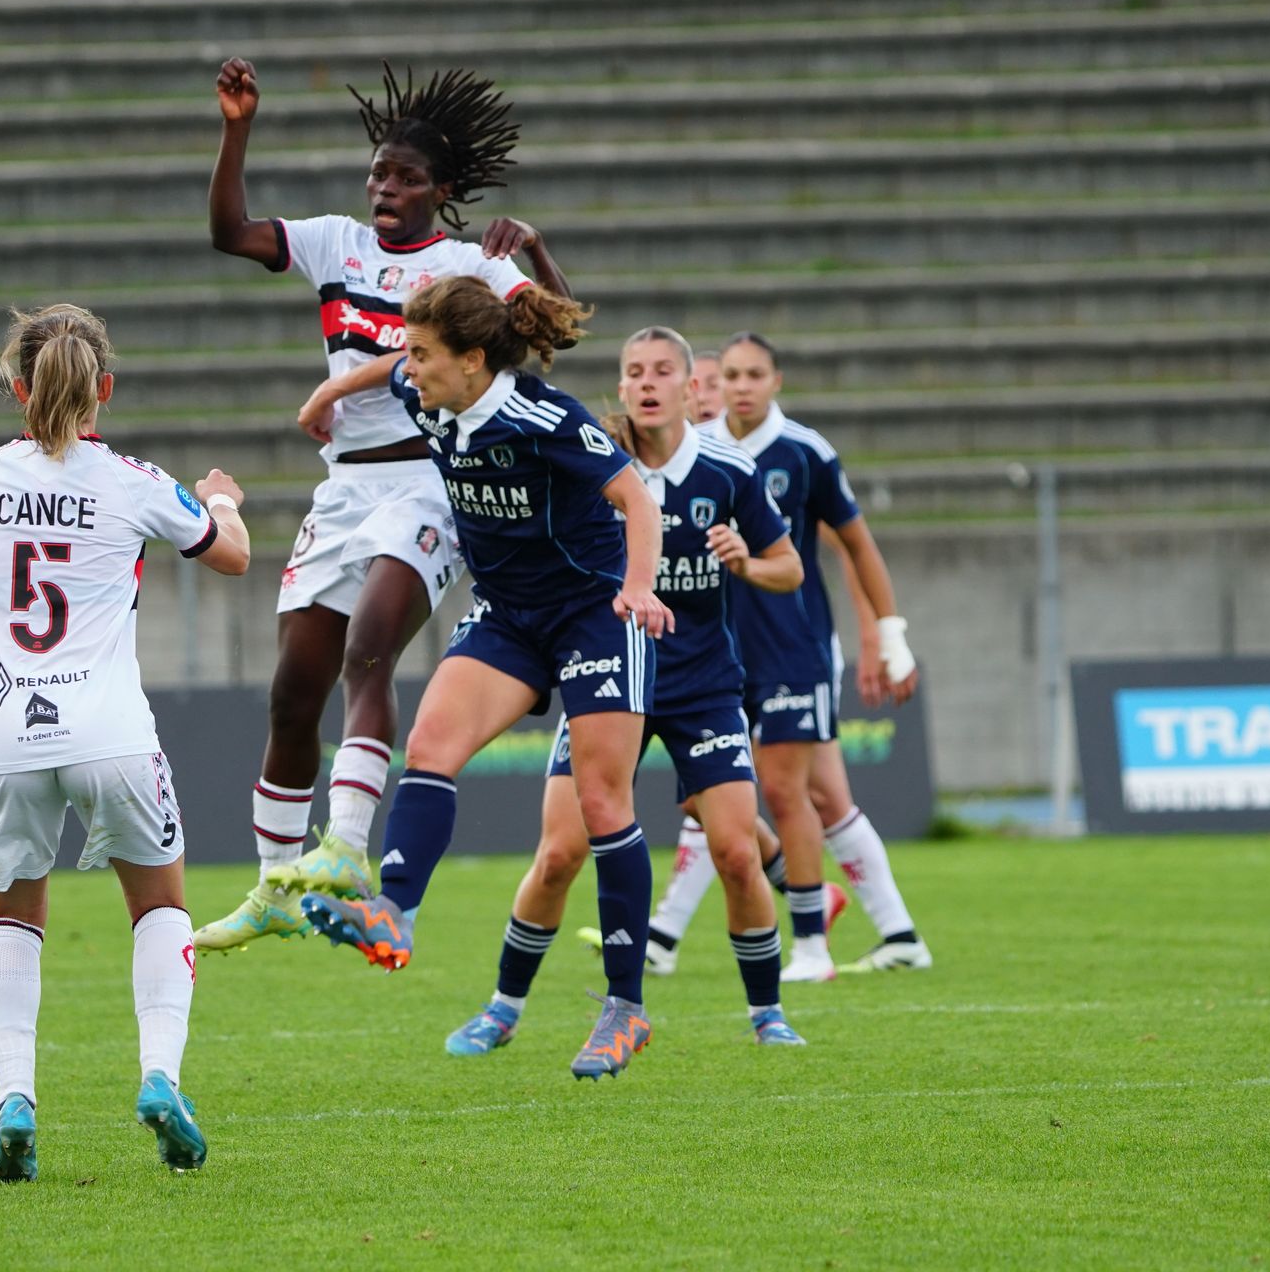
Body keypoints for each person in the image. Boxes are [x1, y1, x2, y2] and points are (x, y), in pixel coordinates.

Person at [0, 305, 251, 1181]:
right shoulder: (134, 480)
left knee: (13, 918)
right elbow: (231, 555)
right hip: (111, 732)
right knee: (160, 907)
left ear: (19, 389)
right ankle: (159, 1079)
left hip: (6, 736)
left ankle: (16, 1102)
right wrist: (222, 497)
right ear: (103, 387)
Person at [197, 58, 572, 953]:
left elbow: (552, 330)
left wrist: (532, 250)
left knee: (369, 651)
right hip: (345, 488)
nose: (384, 190)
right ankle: (275, 887)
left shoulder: (466, 265)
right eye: (378, 175)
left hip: (429, 482)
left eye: (404, 179)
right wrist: (237, 129)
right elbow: (230, 233)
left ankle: (346, 850)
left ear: (442, 191)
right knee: (293, 693)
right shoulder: (335, 244)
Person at [295, 276, 674, 1079]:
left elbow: (638, 503)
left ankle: (625, 1008)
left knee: (602, 807)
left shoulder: (544, 417)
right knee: (431, 747)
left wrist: (639, 589)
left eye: (423, 352)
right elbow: (387, 367)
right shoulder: (424, 388)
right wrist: (333, 389)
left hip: (593, 612)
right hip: (508, 615)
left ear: (472, 360)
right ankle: (393, 913)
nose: (409, 365)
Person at [444, 327, 809, 1057]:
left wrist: (746, 562)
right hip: (602, 674)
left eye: (662, 371)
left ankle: (768, 1013)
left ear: (691, 388)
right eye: (634, 371)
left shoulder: (728, 471)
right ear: (620, 386)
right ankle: (502, 1008)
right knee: (559, 854)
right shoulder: (590, 457)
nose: (646, 382)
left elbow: (790, 567)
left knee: (738, 853)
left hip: (702, 686)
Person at [679, 331, 924, 982]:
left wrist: (889, 634)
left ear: (776, 381)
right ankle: (889, 928)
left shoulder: (805, 452)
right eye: (731, 375)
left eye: (754, 374)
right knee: (708, 795)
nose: (741, 387)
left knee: (789, 792)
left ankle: (811, 946)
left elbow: (856, 544)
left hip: (793, 648)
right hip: (717, 652)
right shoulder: (697, 450)